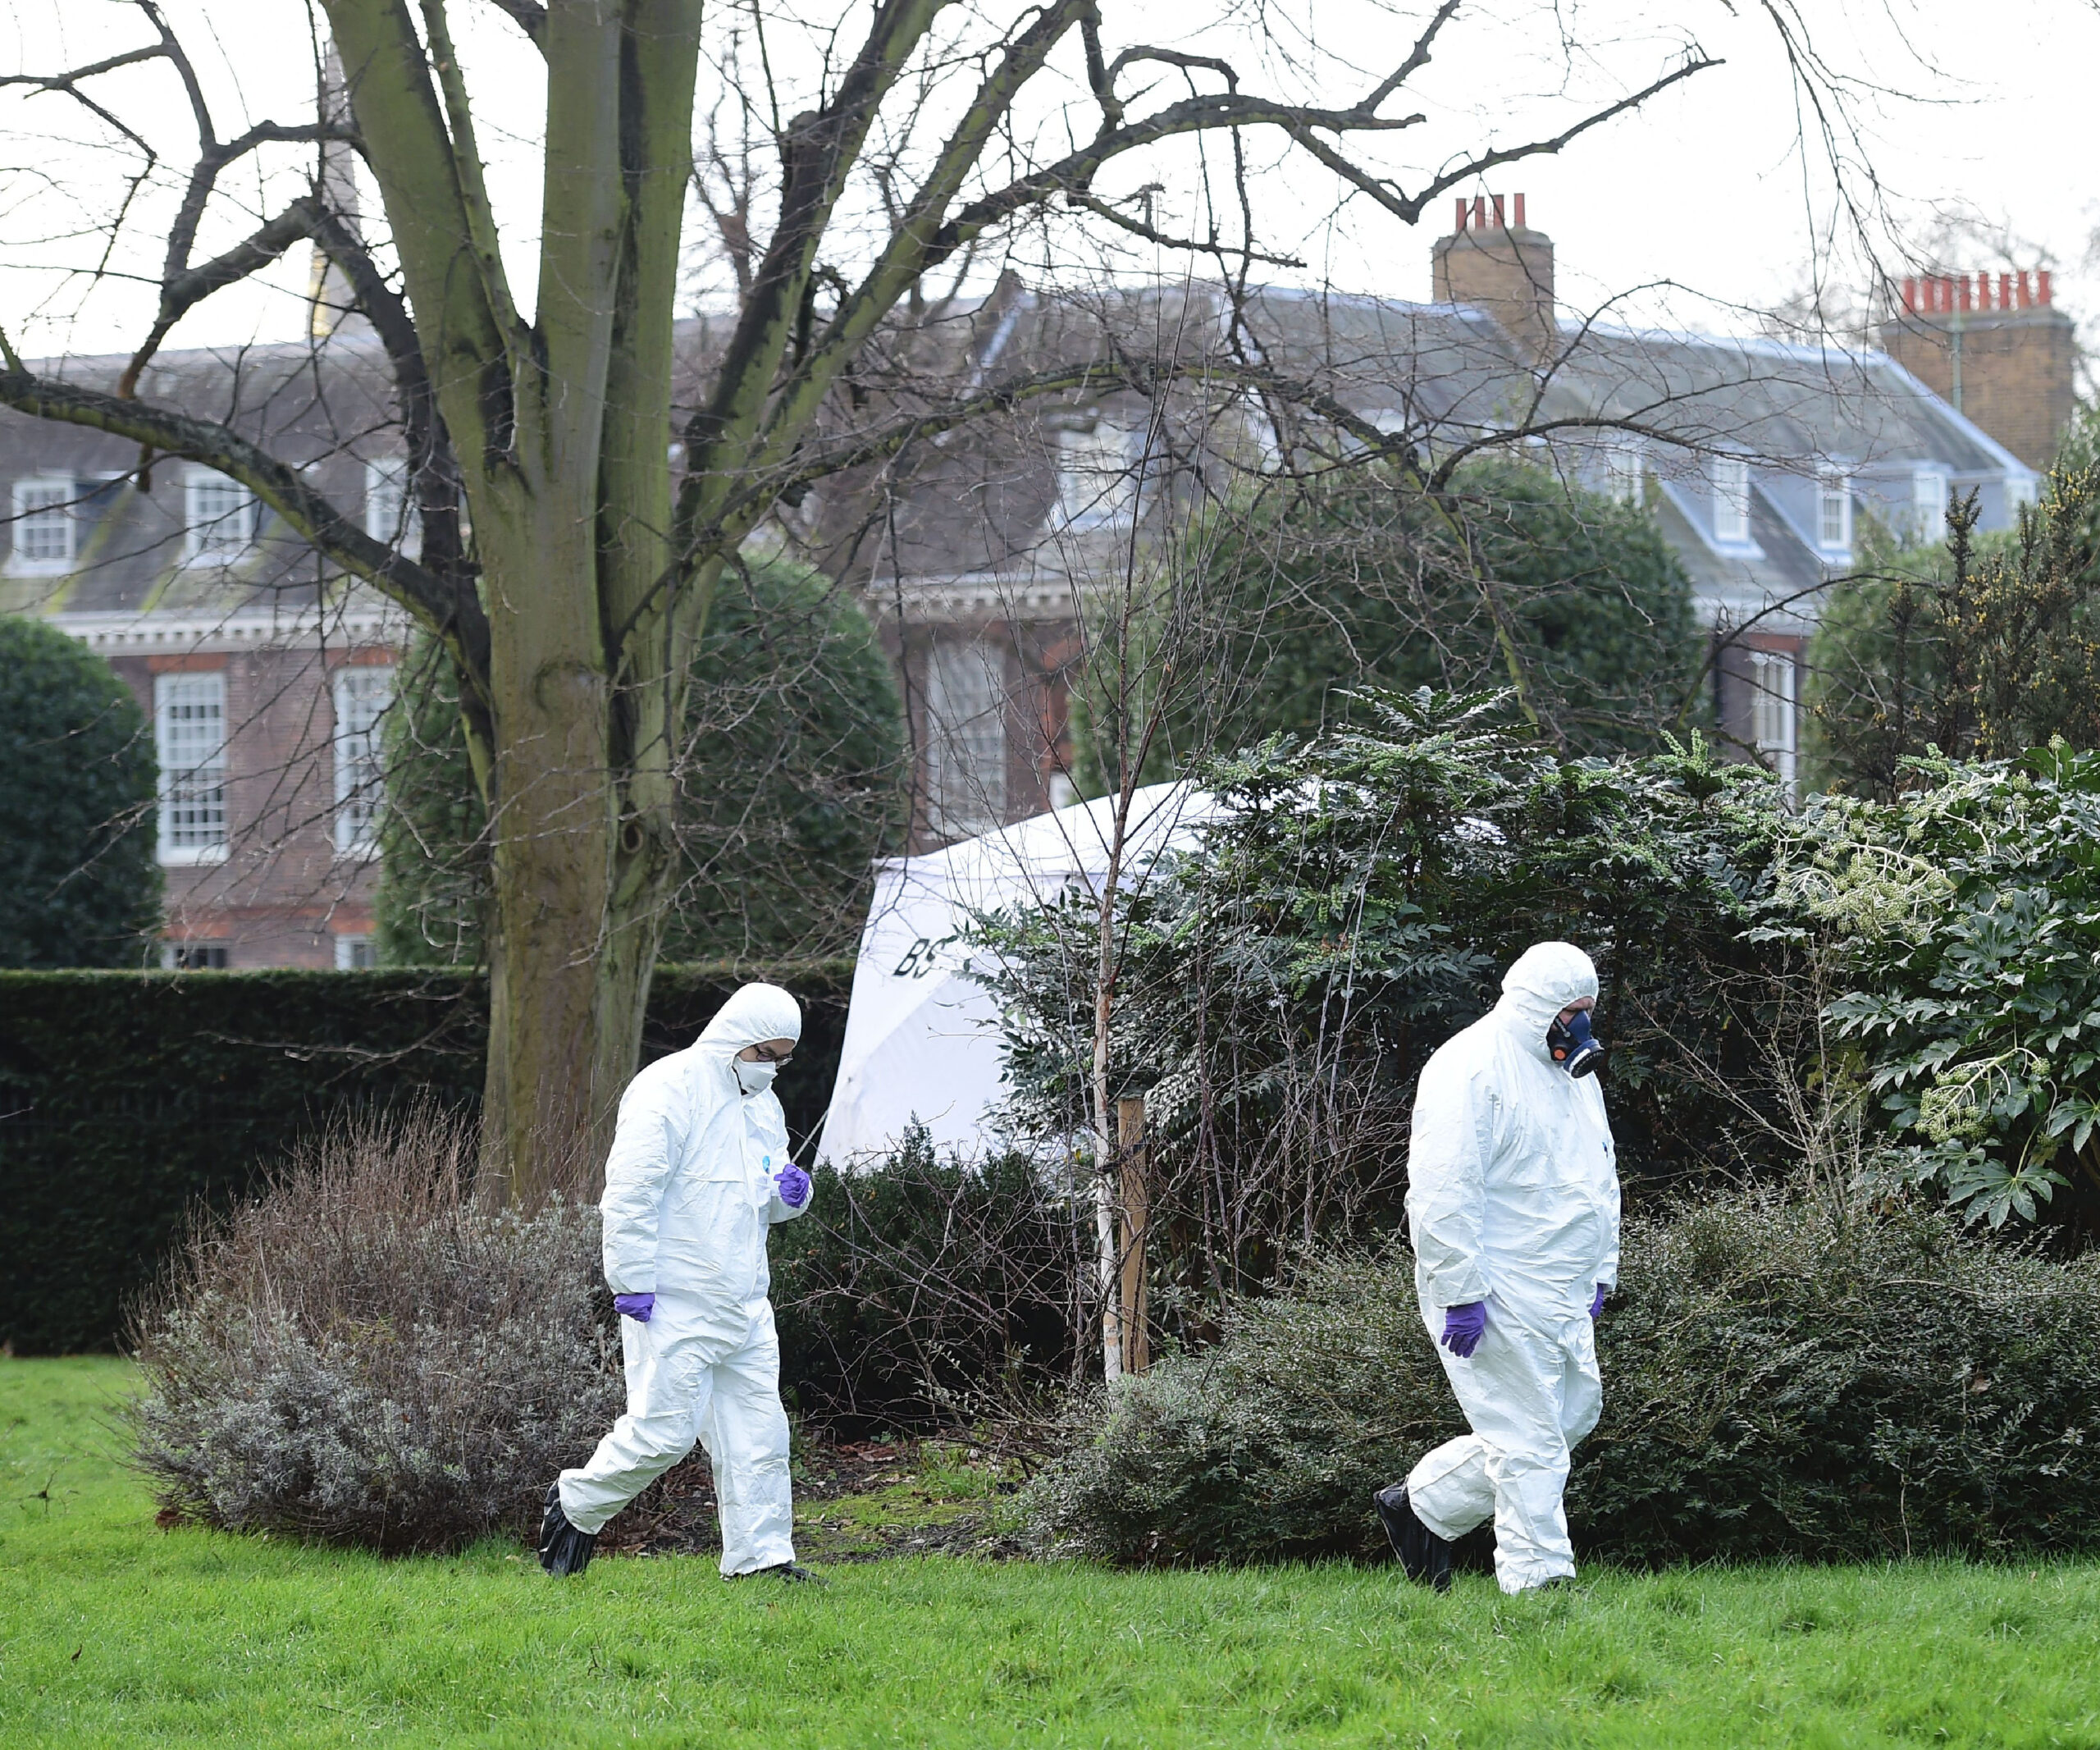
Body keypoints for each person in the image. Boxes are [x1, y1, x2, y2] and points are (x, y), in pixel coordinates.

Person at [539, 982, 819, 1582]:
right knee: (663, 1432)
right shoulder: (667, 1088)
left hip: (744, 1302)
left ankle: (762, 1558)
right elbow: (633, 1190)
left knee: (759, 1436)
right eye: (766, 1053)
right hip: (673, 1303)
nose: (774, 1068)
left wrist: (792, 1194)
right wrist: (632, 1278)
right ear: (737, 1039)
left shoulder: (762, 1105)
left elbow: (763, 1191)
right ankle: (575, 1505)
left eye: (784, 1057)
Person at [1374, 941, 1618, 1596]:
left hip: (1558, 1286)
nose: (1583, 1024)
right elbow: (1441, 1188)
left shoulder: (1574, 1075)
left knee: (1569, 1417)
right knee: (1531, 1436)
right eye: (1573, 1011)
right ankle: (1541, 1584)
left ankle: (1421, 1507)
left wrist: (1602, 1268)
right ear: (1539, 1004)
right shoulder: (1468, 1065)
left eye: (1589, 1010)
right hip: (1491, 1283)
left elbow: (1598, 1172)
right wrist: (1459, 1290)